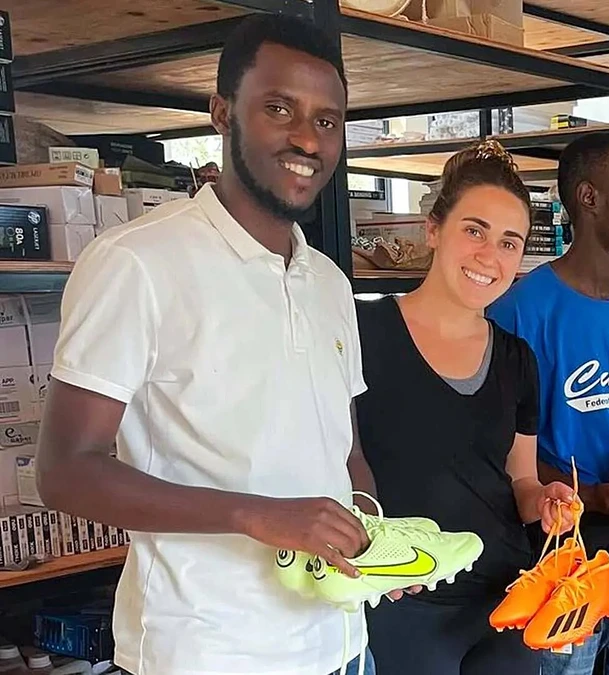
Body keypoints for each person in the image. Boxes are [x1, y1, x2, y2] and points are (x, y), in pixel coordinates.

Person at [36, 15, 380, 675]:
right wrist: (258, 515)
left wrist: (376, 541)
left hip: (340, 645)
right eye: (279, 109)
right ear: (222, 113)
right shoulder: (137, 263)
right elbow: (65, 470)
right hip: (209, 652)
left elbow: (347, 452)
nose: (307, 138)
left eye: (328, 120)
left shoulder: (329, 283)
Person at [354, 141, 575, 674]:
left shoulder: (518, 358)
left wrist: (545, 501)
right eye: (474, 230)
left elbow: (518, 481)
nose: (489, 257)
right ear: (434, 229)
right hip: (403, 602)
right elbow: (338, 462)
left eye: (509, 242)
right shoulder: (362, 334)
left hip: (506, 598)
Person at [487, 133, 609, 675]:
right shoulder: (519, 313)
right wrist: (591, 496)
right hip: (562, 573)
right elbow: (496, 451)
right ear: (589, 197)